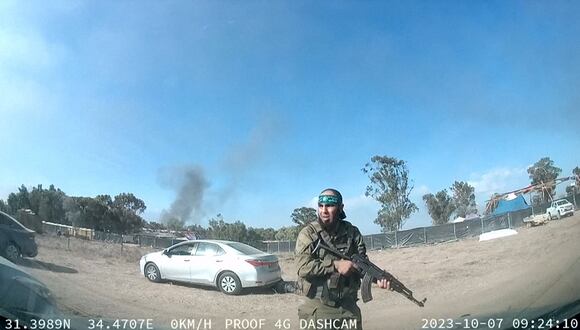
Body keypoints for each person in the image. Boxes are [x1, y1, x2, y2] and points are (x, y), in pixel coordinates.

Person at [295, 188, 389, 330]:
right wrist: (335, 265)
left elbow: (362, 265)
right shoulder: (308, 234)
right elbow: (302, 268)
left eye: (330, 206)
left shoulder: (353, 232)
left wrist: (378, 279)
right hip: (318, 309)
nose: (324, 211)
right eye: (321, 206)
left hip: (348, 308)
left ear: (340, 207)